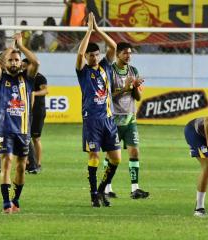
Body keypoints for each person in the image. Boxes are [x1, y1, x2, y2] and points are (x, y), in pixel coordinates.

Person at [76, 12, 120, 207]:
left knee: (116, 159)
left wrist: (97, 29)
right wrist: (88, 32)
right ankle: (94, 194)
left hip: (109, 120)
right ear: (86, 57)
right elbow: (79, 54)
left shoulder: (106, 66)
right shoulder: (83, 72)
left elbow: (114, 46)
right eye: (90, 55)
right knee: (94, 156)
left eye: (96, 54)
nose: (94, 57)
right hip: (92, 120)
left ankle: (102, 189)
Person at [0, 33, 39, 213]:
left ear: (21, 63)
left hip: (23, 131)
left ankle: (16, 200)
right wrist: (11, 48)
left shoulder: (27, 79)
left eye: (16, 60)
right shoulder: (0, 78)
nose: (13, 62)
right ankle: (5, 203)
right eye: (10, 60)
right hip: (5, 129)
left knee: (21, 167)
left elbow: (36, 63)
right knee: (7, 162)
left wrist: (21, 46)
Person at [103, 41, 149, 199]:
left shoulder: (133, 71)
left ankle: (135, 189)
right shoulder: (110, 71)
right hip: (113, 120)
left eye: (130, 53)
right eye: (125, 53)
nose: (129, 56)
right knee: (111, 156)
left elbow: (137, 97)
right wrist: (126, 88)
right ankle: (106, 187)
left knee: (135, 152)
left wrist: (135, 87)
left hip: (130, 119)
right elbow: (107, 96)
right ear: (117, 54)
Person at [21, 58, 48, 174]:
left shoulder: (40, 77)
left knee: (35, 138)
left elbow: (45, 91)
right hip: (26, 111)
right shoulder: (23, 78)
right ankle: (29, 162)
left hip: (38, 111)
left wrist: (33, 93)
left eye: (24, 66)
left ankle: (38, 163)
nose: (22, 68)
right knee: (25, 137)